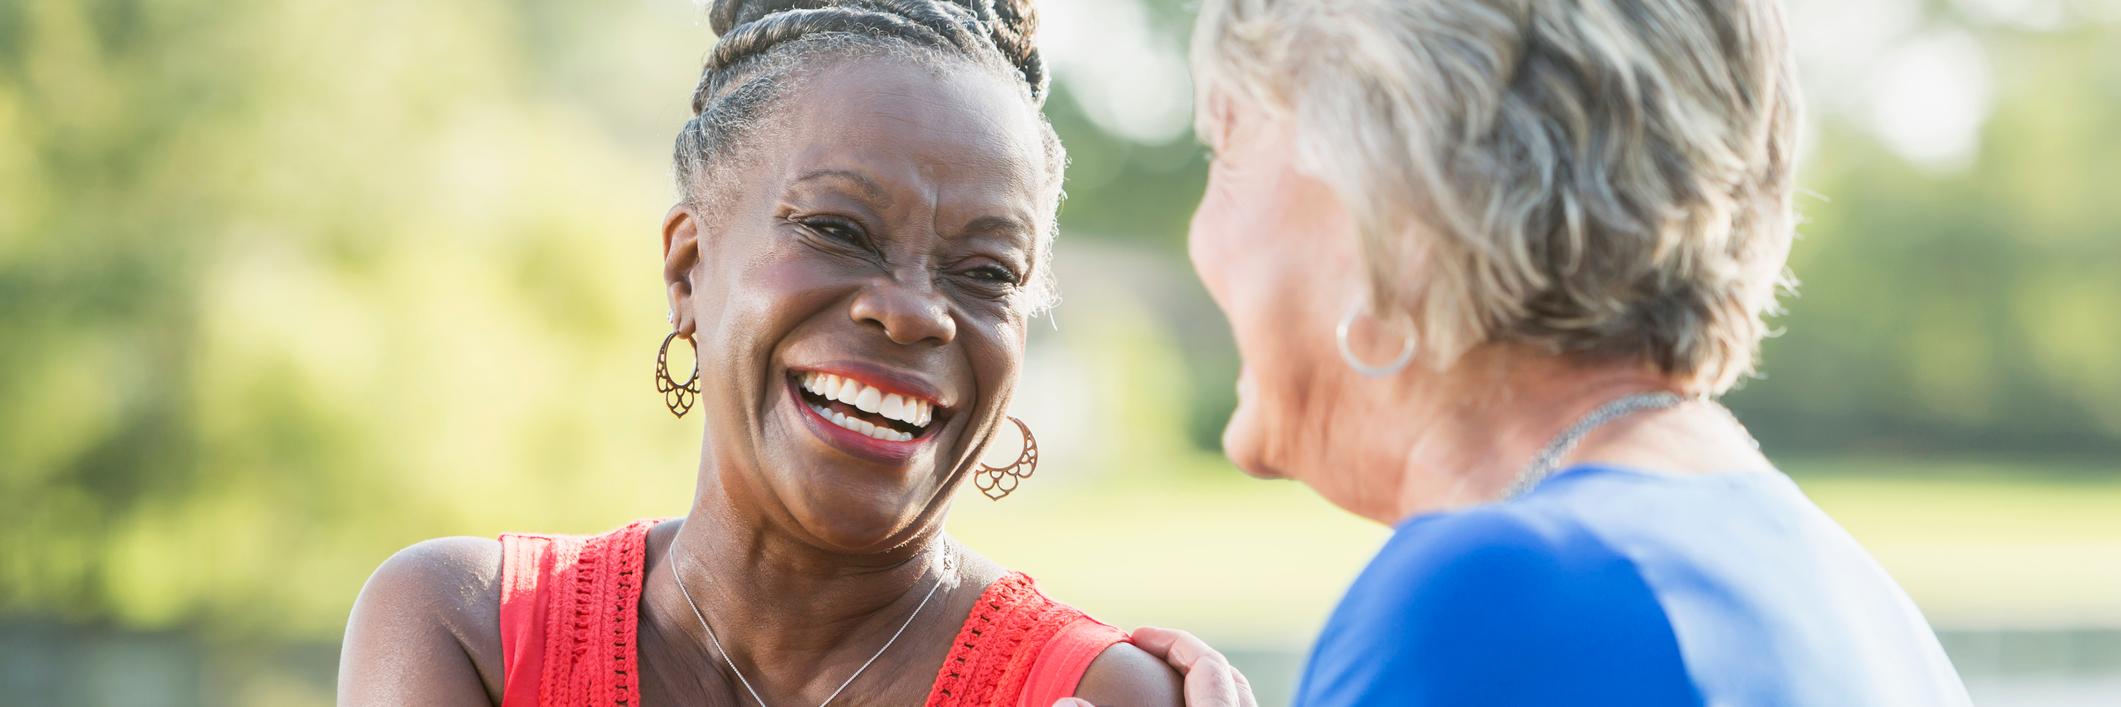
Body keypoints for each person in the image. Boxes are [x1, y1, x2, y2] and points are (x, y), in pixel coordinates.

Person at [1109, 0, 1976, 704]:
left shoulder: (1500, 597)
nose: (1201, 236)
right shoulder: (1833, 582)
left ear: (1392, 216)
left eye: (1224, 153)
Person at [336, 1, 1186, 704]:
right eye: (836, 230)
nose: (915, 313)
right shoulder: (468, 625)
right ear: (687, 270)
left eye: (987, 270)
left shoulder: (1101, 694)